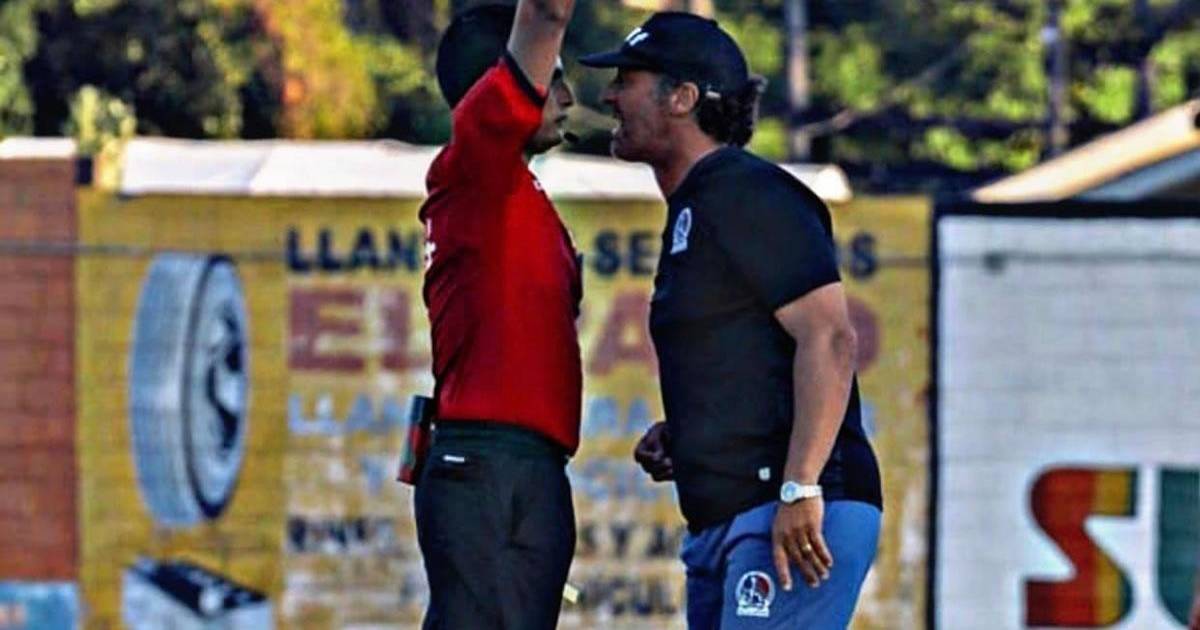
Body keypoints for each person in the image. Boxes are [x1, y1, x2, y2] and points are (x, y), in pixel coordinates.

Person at [581, 12, 882, 629]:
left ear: (682, 98)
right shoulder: (699, 203)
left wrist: (801, 486)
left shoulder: (747, 191)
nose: (609, 97)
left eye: (627, 81)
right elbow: (752, 350)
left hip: (788, 506)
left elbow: (829, 337)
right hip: (731, 510)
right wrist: (697, 433)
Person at [415, 1, 581, 628]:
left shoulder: (514, 191)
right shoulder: (476, 164)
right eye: (551, 79)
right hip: (489, 464)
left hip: (523, 466)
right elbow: (545, 13)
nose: (567, 97)